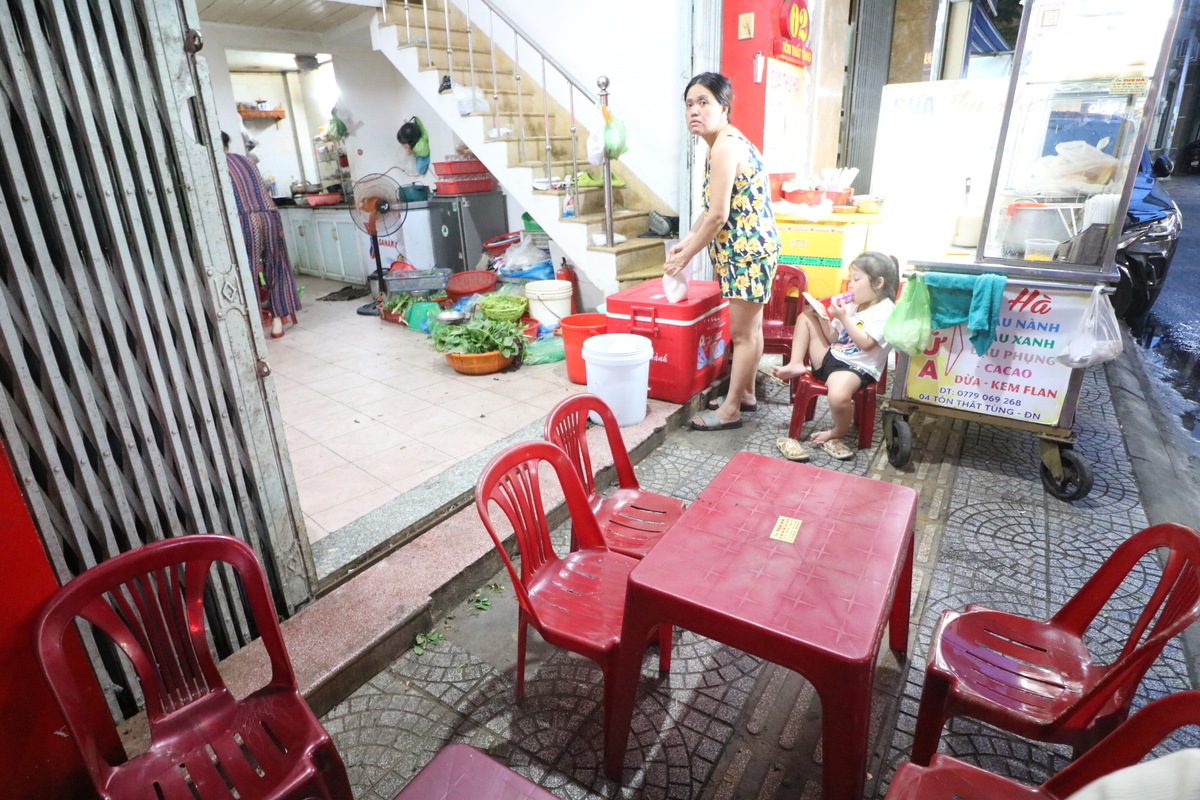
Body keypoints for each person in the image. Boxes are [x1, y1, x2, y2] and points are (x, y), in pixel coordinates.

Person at [665, 73, 781, 432]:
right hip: (752, 251)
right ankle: (744, 394)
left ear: (723, 108)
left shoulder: (724, 147)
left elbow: (718, 216)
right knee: (753, 330)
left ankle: (730, 410)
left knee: (743, 335)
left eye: (704, 103)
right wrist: (688, 239)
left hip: (746, 255)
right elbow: (710, 208)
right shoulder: (724, 142)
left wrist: (684, 257)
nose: (694, 111)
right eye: (689, 104)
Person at [773, 251, 898, 461]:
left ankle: (839, 430)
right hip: (832, 356)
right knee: (806, 317)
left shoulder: (885, 310)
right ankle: (796, 363)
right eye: (850, 279)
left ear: (878, 283)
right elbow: (833, 338)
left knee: (838, 397)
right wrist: (823, 317)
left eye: (857, 280)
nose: (850, 285)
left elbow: (867, 344)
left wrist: (843, 317)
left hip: (856, 368)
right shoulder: (851, 305)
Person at [222, 131, 301, 338]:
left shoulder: (214, 164)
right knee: (277, 265)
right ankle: (277, 324)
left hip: (245, 220)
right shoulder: (246, 161)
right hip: (269, 215)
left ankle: (253, 327)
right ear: (227, 144)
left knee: (245, 272)